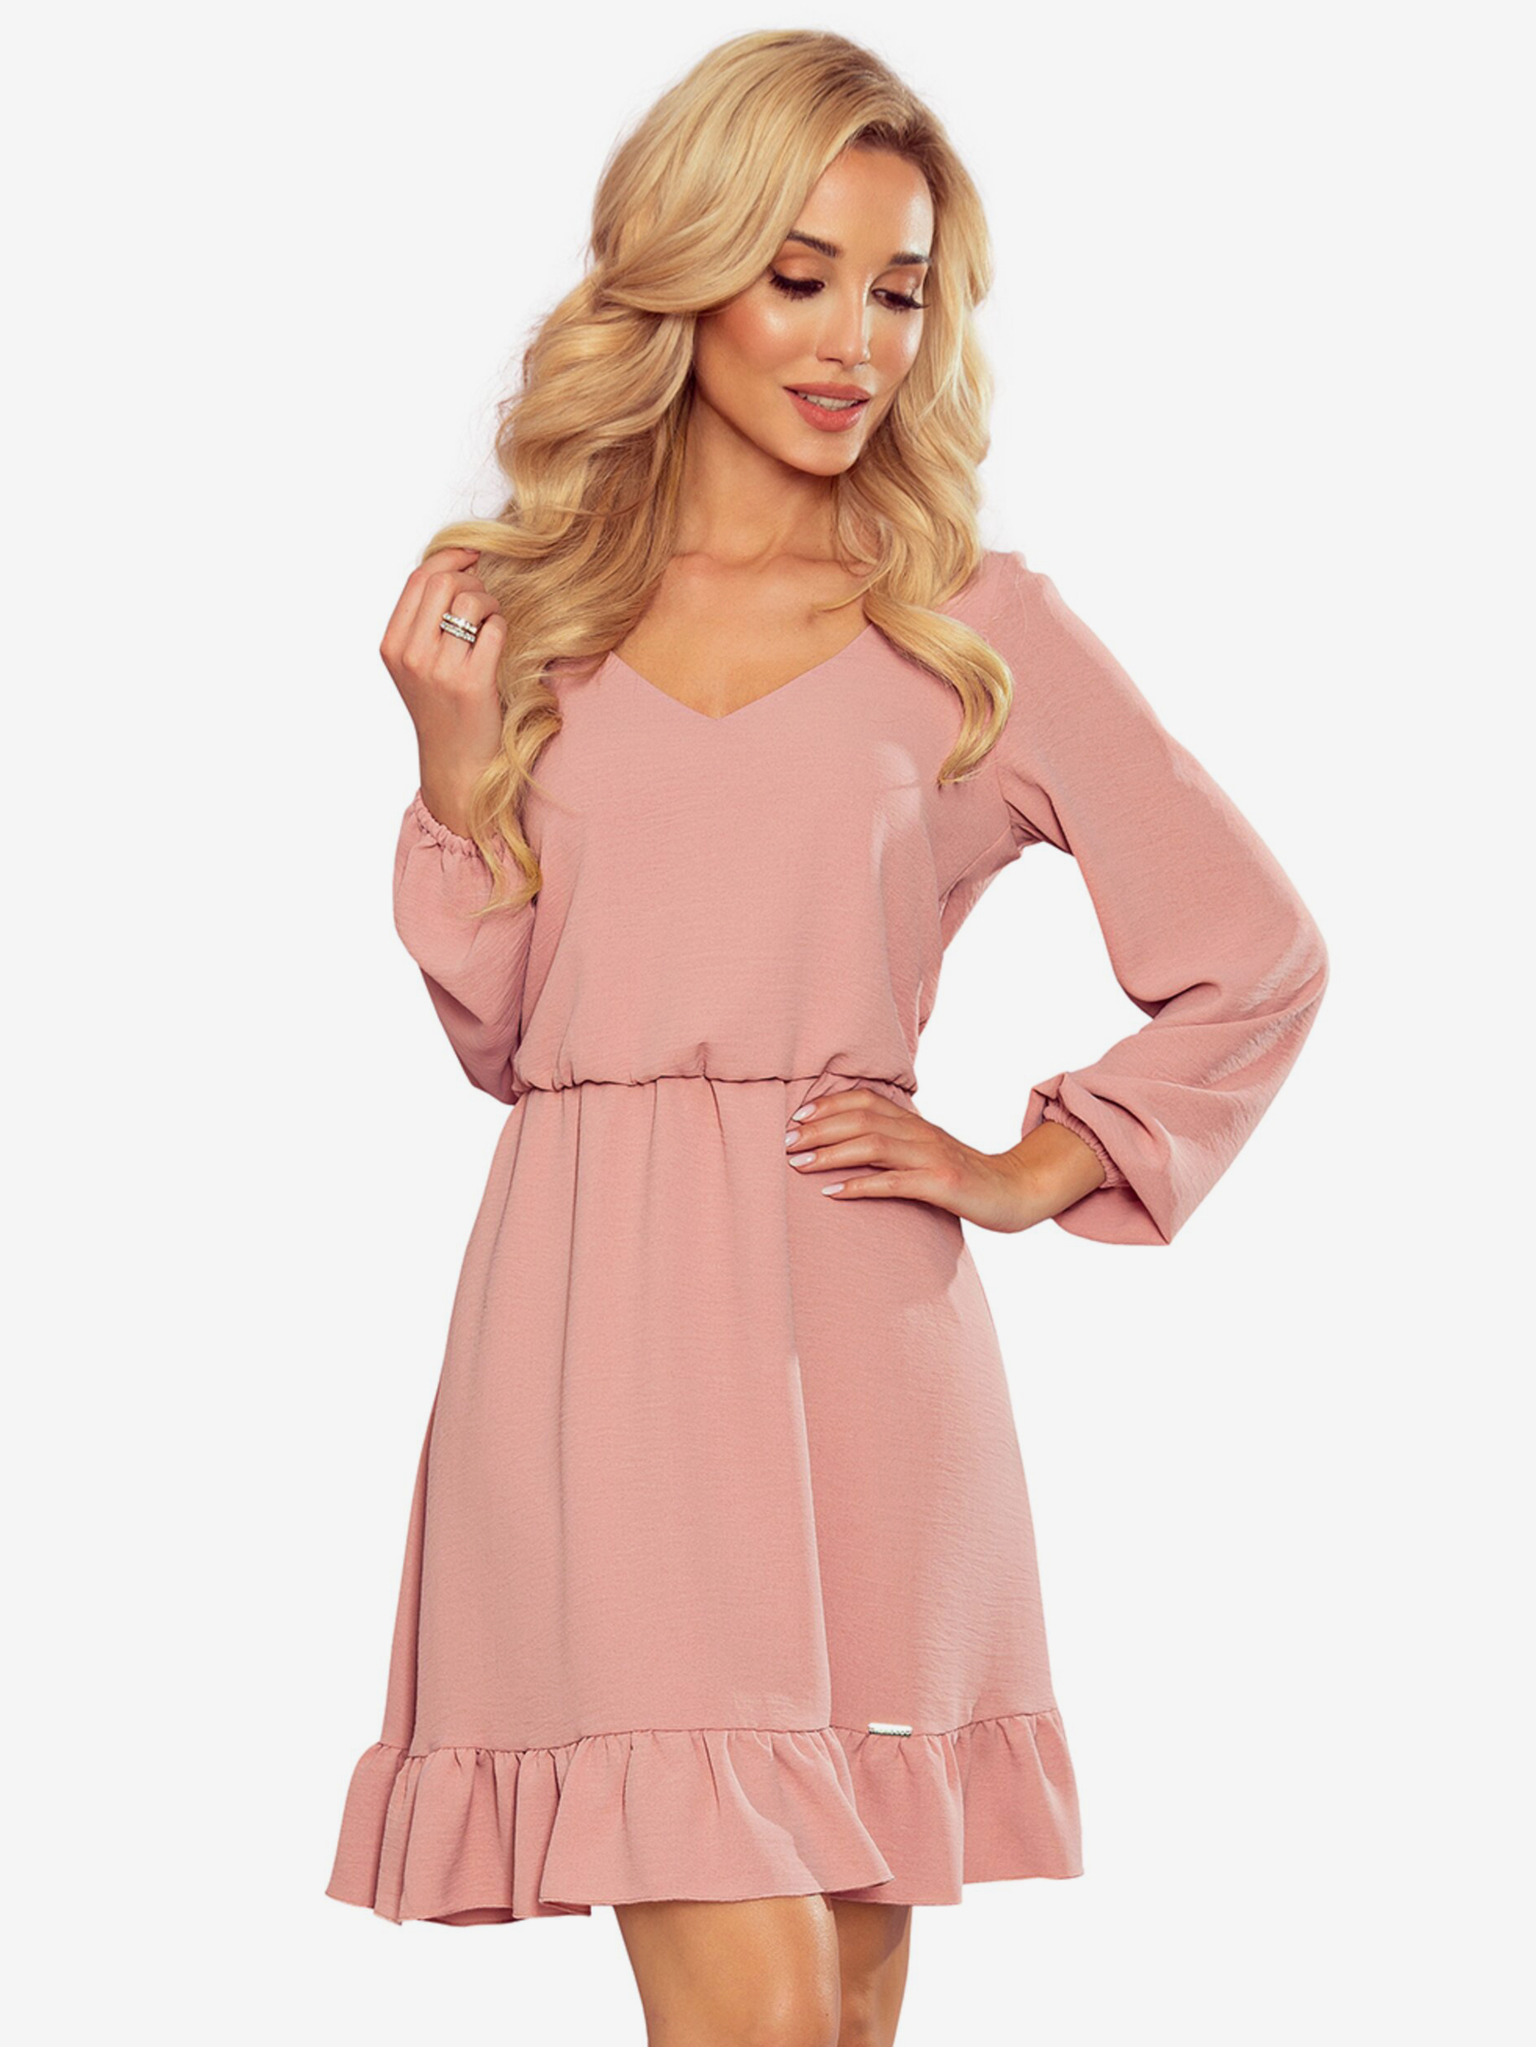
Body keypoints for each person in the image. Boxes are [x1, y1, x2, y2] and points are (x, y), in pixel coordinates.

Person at [324, 28, 1329, 2047]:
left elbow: (1255, 952)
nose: (855, 342)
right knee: (765, 2014)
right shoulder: (525, 613)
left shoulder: (969, 620)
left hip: (861, 1342)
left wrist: (1036, 1165)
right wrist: (450, 766)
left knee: (844, 2019)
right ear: (688, 272)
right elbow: (509, 1037)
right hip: (595, 1333)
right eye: (801, 276)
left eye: (899, 290)